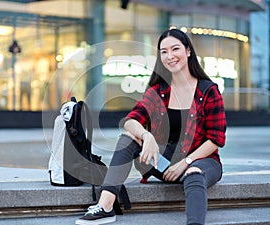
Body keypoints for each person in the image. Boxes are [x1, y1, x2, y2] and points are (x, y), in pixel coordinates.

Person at [75, 28, 226, 225]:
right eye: (163, 51)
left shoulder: (208, 91)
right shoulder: (159, 91)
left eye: (175, 49)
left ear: (188, 51)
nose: (170, 56)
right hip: (164, 164)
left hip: (201, 162)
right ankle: (105, 206)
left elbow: (215, 140)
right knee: (129, 138)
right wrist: (147, 136)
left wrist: (186, 162)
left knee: (194, 174)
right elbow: (130, 121)